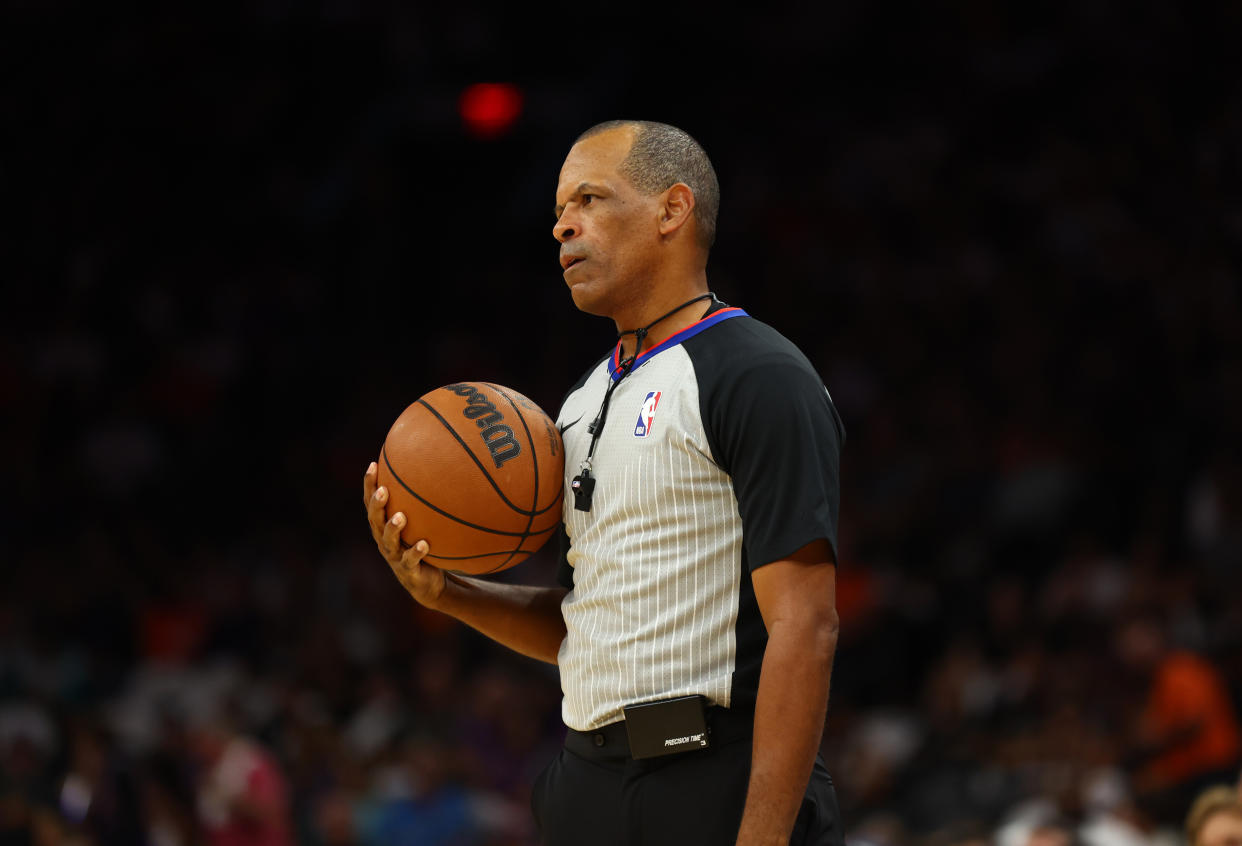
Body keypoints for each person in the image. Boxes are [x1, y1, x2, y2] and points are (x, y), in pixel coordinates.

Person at [363, 119, 846, 845]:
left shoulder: (758, 376)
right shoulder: (582, 402)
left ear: (672, 210)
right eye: (559, 209)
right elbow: (580, 620)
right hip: (586, 782)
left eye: (589, 199)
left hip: (715, 778)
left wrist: (763, 837)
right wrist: (450, 593)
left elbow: (806, 627)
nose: (563, 226)